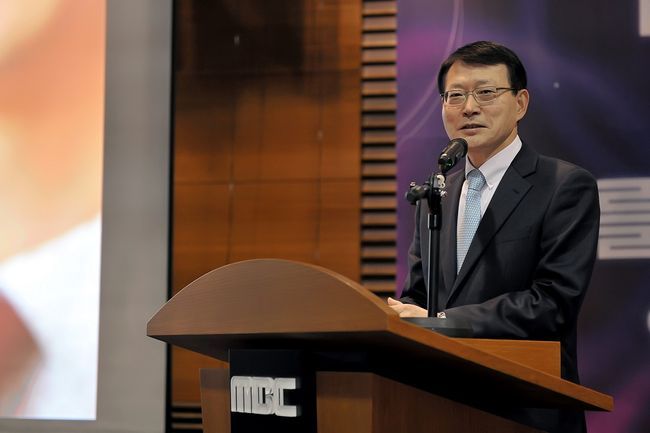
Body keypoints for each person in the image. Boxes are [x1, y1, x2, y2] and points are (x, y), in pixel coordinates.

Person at [387, 41, 600, 433]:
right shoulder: (436, 195)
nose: (469, 107)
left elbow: (553, 303)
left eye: (486, 92)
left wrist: (444, 321)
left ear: (520, 103)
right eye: (455, 95)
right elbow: (419, 296)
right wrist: (397, 317)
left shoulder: (564, 186)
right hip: (439, 407)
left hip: (526, 408)